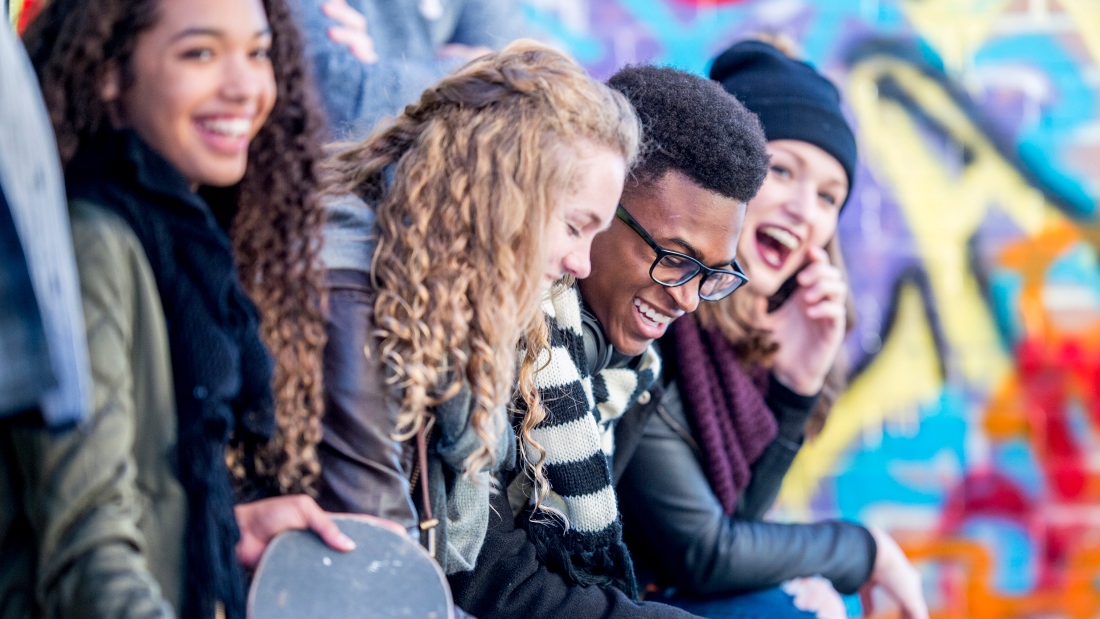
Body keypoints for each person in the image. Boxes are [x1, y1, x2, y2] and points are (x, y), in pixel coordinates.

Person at [16, 0, 385, 616]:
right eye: (200, 53)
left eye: (258, 53)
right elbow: (88, 561)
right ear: (108, 72)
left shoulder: (176, 240)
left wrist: (222, 529)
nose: (245, 87)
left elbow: (127, 499)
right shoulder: (93, 243)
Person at [316, 39, 642, 615]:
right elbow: (381, 580)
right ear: (504, 197)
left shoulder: (449, 307)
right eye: (574, 226)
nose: (582, 264)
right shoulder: (351, 297)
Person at [616, 40, 929, 619]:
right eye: (782, 171)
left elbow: (737, 522)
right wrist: (867, 551)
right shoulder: (653, 317)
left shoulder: (735, 349)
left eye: (829, 197)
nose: (805, 211)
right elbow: (705, 555)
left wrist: (794, 385)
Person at [447, 64, 771, 619]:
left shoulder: (628, 375)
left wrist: (796, 392)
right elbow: (487, 582)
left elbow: (734, 522)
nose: (688, 299)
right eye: (675, 257)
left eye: (711, 274)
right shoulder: (487, 336)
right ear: (597, 209)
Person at [292, 0, 524, 136]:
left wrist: (382, 78)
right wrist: (466, 70)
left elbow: (521, 84)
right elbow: (344, 103)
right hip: (331, 192)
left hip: (434, 185)